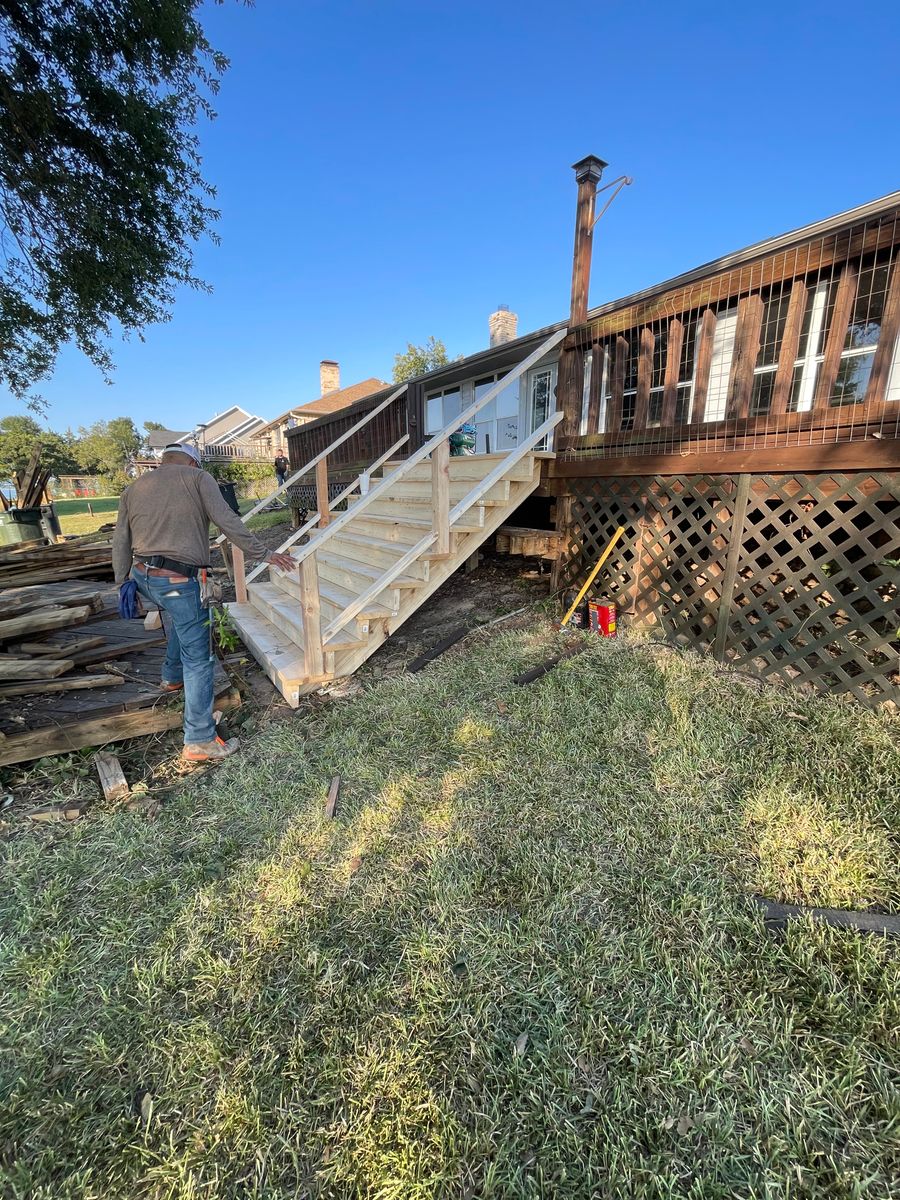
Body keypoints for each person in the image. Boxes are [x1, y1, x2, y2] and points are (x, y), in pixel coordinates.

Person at [113, 444, 295, 762]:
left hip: (143, 576)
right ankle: (199, 739)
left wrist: (122, 581)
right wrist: (265, 554)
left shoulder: (134, 487)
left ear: (163, 460)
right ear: (193, 461)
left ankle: (171, 678)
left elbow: (121, 539)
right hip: (178, 580)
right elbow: (227, 520)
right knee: (199, 659)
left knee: (180, 621)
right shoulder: (198, 478)